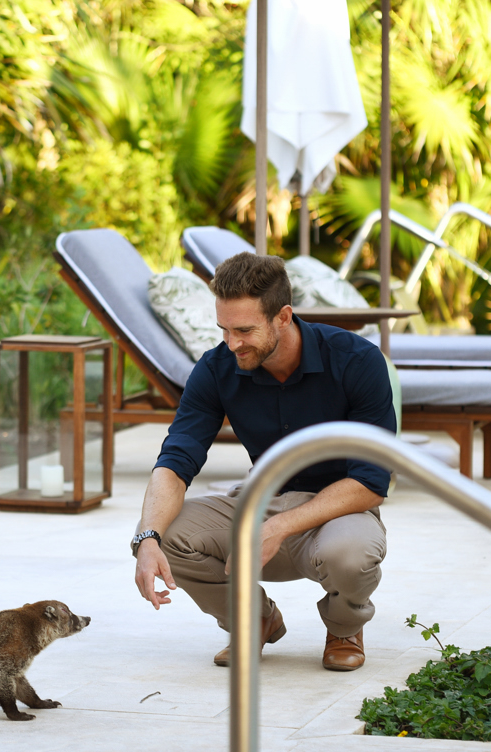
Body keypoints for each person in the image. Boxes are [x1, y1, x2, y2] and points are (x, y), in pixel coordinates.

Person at [130, 252, 395, 670]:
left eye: (245, 330)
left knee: (351, 553)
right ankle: (255, 621)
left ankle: (344, 629)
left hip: (337, 509)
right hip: (260, 498)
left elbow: (371, 481)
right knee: (165, 531)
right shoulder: (217, 367)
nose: (232, 343)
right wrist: (146, 540)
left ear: (283, 317)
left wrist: (276, 527)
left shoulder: (357, 361)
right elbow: (176, 460)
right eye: (224, 330)